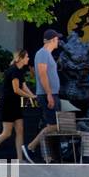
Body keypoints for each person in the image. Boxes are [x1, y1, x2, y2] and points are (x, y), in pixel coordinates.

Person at [0, 51, 36, 163]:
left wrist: (33, 96)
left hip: (15, 104)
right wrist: (30, 96)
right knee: (7, 133)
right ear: (20, 58)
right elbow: (16, 90)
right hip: (8, 104)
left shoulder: (20, 71)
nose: (28, 58)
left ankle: (20, 160)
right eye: (26, 56)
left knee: (20, 130)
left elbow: (24, 86)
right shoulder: (13, 70)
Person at [24, 29, 62, 163]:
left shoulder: (47, 54)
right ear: (52, 40)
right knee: (54, 126)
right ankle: (30, 147)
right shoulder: (42, 53)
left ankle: (48, 156)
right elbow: (42, 74)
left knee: (53, 126)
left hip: (51, 94)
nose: (58, 41)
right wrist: (49, 94)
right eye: (57, 39)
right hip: (47, 95)